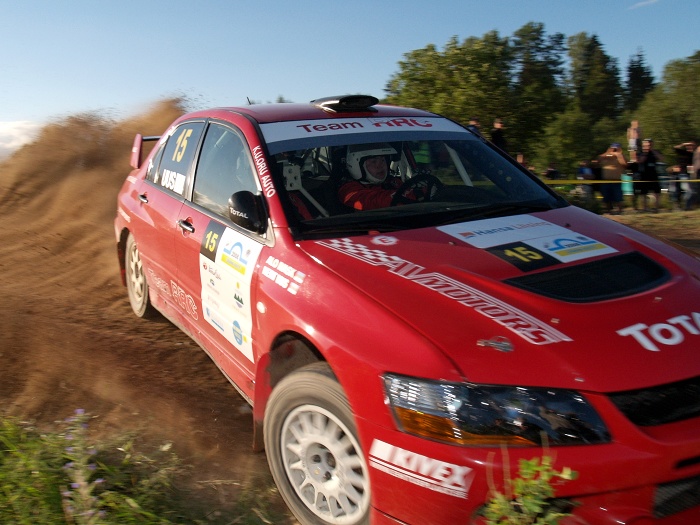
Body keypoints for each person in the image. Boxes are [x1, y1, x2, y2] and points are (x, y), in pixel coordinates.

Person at [338, 143, 409, 211]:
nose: (380, 166)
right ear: (356, 165)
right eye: (373, 162)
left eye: (383, 160)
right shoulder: (348, 190)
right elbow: (374, 201)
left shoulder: (392, 182)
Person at [597, 143, 628, 214]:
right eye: (613, 148)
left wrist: (618, 155)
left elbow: (624, 164)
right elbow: (598, 160)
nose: (614, 150)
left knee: (618, 197)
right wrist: (608, 152)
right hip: (605, 181)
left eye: (616, 149)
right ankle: (608, 211)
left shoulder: (621, 157)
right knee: (606, 197)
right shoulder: (605, 157)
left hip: (616, 180)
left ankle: (620, 211)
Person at [636, 138, 663, 212]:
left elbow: (661, 159)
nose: (648, 146)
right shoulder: (640, 153)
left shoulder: (655, 152)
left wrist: (652, 151)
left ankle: (656, 208)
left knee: (657, 191)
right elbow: (640, 161)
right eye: (646, 145)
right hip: (644, 174)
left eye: (650, 144)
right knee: (644, 192)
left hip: (653, 173)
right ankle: (645, 208)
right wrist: (645, 152)